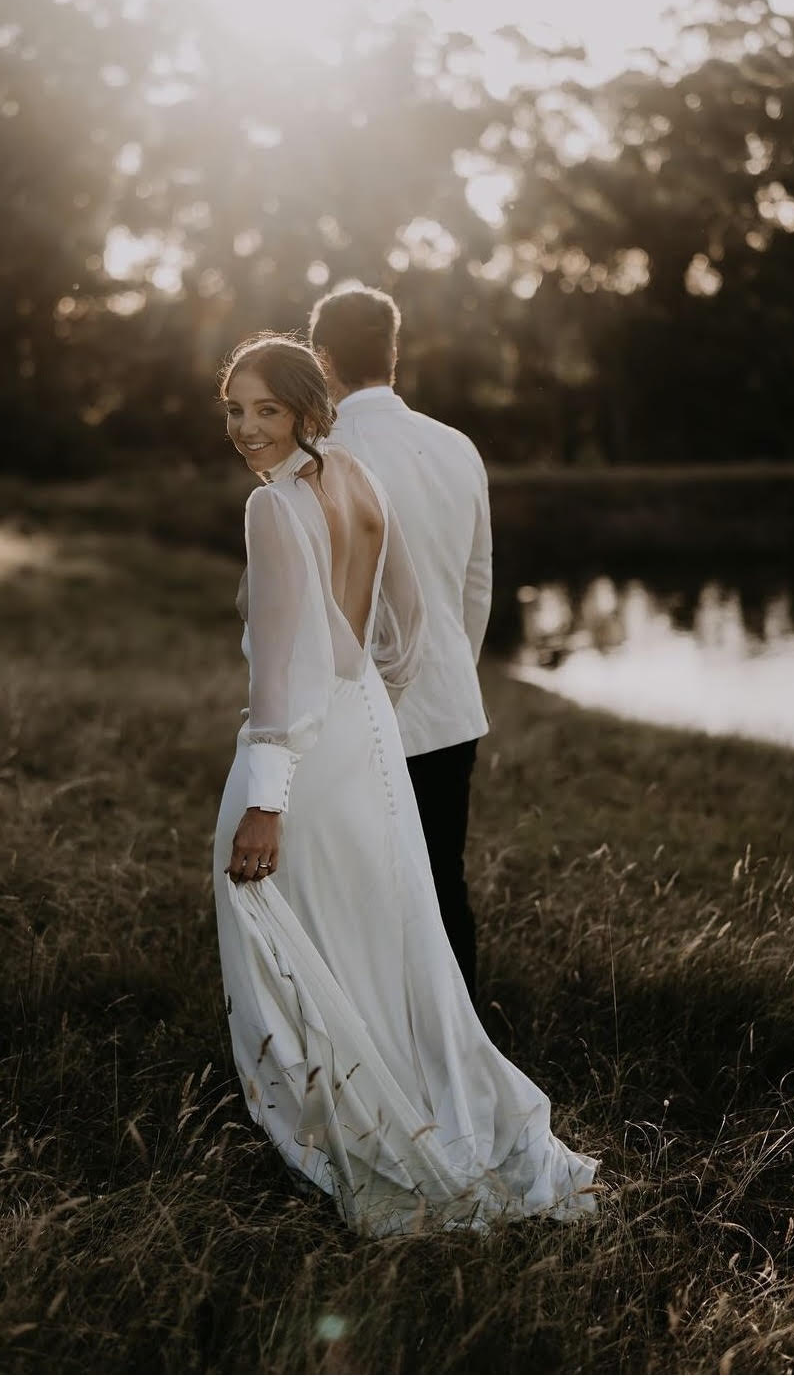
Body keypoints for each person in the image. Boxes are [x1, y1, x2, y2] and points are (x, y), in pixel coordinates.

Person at [213, 333, 597, 1236]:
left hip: (301, 753)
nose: (245, 428)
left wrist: (265, 794)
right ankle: (413, 1103)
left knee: (292, 938)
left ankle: (351, 1130)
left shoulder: (272, 511)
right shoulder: (358, 478)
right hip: (366, 732)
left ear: (310, 408)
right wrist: (367, 701)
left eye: (265, 409)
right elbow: (412, 621)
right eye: (233, 410)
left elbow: (275, 673)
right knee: (377, 934)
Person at [310, 283, 490, 1001]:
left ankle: (378, 1051)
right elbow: (476, 582)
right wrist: (448, 673)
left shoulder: (323, 457)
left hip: (358, 710)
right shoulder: (457, 446)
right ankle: (460, 1042)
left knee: (358, 889)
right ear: (393, 352)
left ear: (323, 359)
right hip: (450, 704)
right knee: (444, 880)